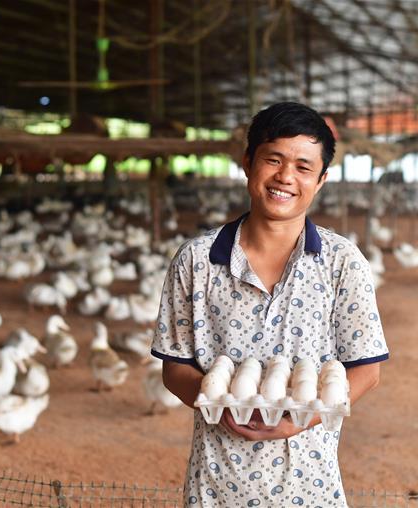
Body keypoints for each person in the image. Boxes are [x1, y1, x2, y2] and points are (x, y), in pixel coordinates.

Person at [152, 102, 389, 506]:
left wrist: (303, 418)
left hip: (309, 487)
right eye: (273, 159)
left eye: (303, 167)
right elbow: (175, 367)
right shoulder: (197, 261)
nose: (285, 177)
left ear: (321, 180)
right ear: (248, 163)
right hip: (218, 485)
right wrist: (219, 401)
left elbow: (366, 369)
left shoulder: (341, 262)